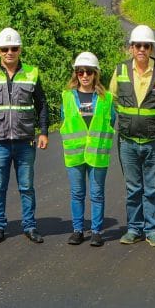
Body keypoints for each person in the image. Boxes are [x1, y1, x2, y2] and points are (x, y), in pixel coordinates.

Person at [0, 27, 49, 244]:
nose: (9, 52)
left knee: (26, 187)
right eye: (5, 49)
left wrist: (43, 132)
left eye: (14, 48)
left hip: (25, 140)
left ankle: (30, 226)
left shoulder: (32, 73)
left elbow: (42, 104)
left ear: (20, 49)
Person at [109, 25, 155, 247]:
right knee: (133, 188)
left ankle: (152, 230)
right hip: (127, 141)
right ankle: (134, 228)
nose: (142, 49)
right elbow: (112, 99)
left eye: (146, 45)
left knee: (152, 188)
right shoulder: (121, 70)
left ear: (151, 48)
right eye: (138, 45)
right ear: (131, 48)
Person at [61, 52, 116, 247]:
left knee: (97, 194)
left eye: (89, 72)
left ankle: (96, 231)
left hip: (97, 154)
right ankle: (77, 231)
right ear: (76, 74)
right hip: (75, 154)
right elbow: (64, 120)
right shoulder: (67, 97)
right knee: (77, 193)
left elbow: (111, 121)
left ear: (95, 74)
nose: (85, 76)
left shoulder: (106, 98)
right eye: (80, 72)